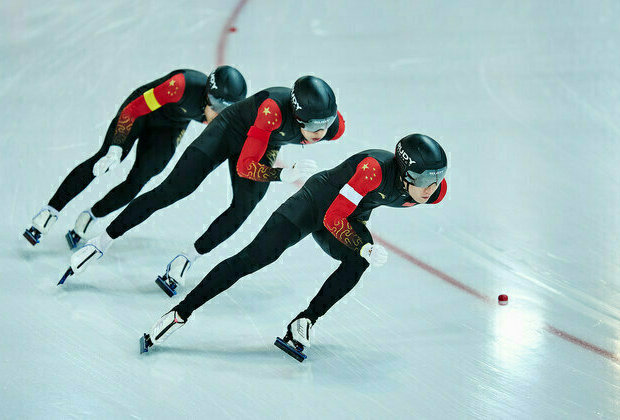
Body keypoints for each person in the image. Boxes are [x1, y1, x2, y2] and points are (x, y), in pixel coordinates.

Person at [141, 133, 448, 358]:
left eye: (438, 179)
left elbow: (347, 213)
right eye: (426, 181)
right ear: (406, 174)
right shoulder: (373, 170)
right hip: (313, 206)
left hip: (347, 215)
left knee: (357, 262)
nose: (432, 189)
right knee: (255, 257)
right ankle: (180, 313)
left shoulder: (432, 191)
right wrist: (363, 245)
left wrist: (361, 247)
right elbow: (331, 218)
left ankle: (306, 319)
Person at [66, 75, 347, 295]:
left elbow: (317, 133)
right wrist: (279, 175)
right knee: (173, 190)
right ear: (297, 118)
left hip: (265, 142)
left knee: (242, 209)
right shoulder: (272, 110)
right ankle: (101, 242)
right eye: (312, 127)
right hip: (228, 132)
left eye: (327, 124)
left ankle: (187, 259)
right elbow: (244, 167)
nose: (319, 133)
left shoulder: (331, 127)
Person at [24, 66, 247, 249]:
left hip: (169, 129)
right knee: (102, 161)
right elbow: (134, 110)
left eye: (226, 110)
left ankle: (92, 215)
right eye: (216, 106)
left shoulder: (223, 112)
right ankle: (51, 211)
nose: (219, 114)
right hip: (140, 113)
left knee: (138, 182)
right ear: (208, 94)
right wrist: (116, 147)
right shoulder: (180, 86)